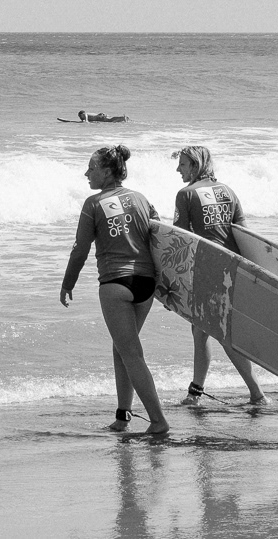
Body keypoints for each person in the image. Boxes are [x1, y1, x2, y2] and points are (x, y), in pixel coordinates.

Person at [59, 145, 169, 435]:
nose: (86, 173)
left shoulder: (93, 204)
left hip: (116, 284)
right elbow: (163, 240)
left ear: (107, 171)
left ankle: (158, 422)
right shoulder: (141, 199)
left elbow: (80, 250)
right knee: (123, 350)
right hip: (146, 284)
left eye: (91, 168)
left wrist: (68, 283)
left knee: (131, 353)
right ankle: (123, 416)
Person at [171, 146, 267, 406]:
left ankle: (257, 393)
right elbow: (244, 235)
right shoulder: (228, 191)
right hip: (232, 268)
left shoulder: (186, 195)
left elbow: (181, 239)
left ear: (194, 165)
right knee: (200, 329)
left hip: (208, 268)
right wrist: (256, 273)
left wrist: (174, 281)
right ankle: (195, 393)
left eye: (182, 165)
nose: (178, 170)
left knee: (220, 332)